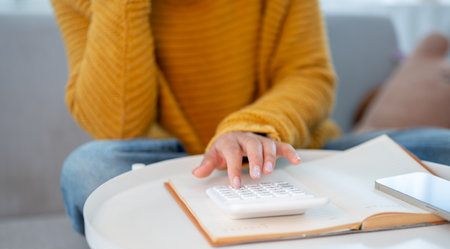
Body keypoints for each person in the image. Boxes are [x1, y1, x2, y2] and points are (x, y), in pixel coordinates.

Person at [51, 0, 449, 236]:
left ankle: (239, 223)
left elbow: (310, 74)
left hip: (294, 152)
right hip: (178, 168)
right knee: (89, 170)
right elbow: (118, 126)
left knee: (439, 148)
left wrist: (252, 129)